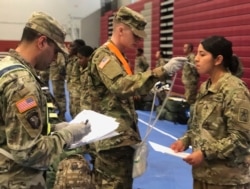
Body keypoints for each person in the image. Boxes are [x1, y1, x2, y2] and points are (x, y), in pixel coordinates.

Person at [87, 6, 188, 189]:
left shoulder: (119, 57)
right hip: (111, 139)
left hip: (120, 137)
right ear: (120, 30)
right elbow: (120, 86)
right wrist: (161, 71)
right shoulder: (104, 56)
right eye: (136, 35)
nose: (139, 40)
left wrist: (148, 88)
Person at [0, 11, 91, 188]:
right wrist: (68, 134)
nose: (55, 58)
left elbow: (10, 126)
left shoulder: (6, 65)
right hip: (15, 178)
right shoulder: (22, 83)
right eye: (55, 51)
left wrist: (54, 128)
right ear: (42, 42)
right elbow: (28, 152)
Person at [171, 36, 250, 189]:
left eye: (202, 54)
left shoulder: (235, 91)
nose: (196, 59)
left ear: (218, 59)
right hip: (203, 175)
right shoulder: (205, 87)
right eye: (197, 54)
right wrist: (185, 141)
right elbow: (198, 126)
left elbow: (241, 138)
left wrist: (205, 153)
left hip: (227, 179)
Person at [65, 39, 86, 118]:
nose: (69, 47)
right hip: (72, 90)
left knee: (78, 114)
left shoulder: (81, 61)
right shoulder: (71, 59)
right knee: (72, 111)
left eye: (72, 46)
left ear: (78, 48)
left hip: (79, 93)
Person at [50, 52, 67, 121]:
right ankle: (59, 114)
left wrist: (61, 75)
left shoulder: (59, 54)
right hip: (54, 77)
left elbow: (62, 65)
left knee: (60, 97)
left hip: (58, 78)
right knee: (56, 97)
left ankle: (62, 116)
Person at [77, 45, 94, 111]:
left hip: (91, 106)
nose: (78, 61)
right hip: (83, 103)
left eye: (81, 58)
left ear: (89, 58)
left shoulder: (93, 71)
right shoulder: (82, 68)